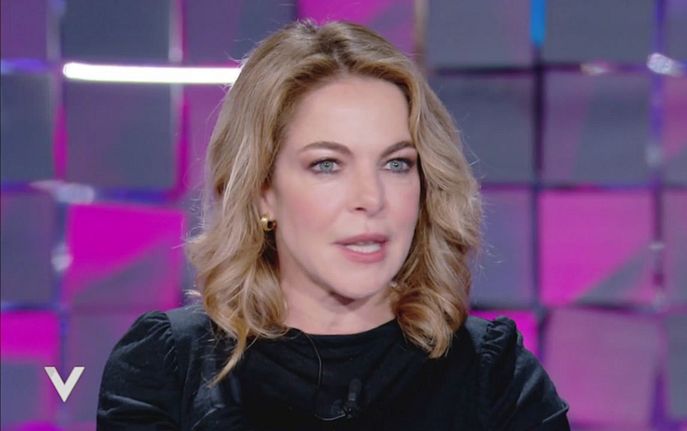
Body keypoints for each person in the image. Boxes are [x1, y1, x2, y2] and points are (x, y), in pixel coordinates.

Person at [97, 20, 569, 430]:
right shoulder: (167, 367)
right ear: (263, 190)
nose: (371, 199)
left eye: (397, 164)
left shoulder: (494, 375)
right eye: (327, 165)